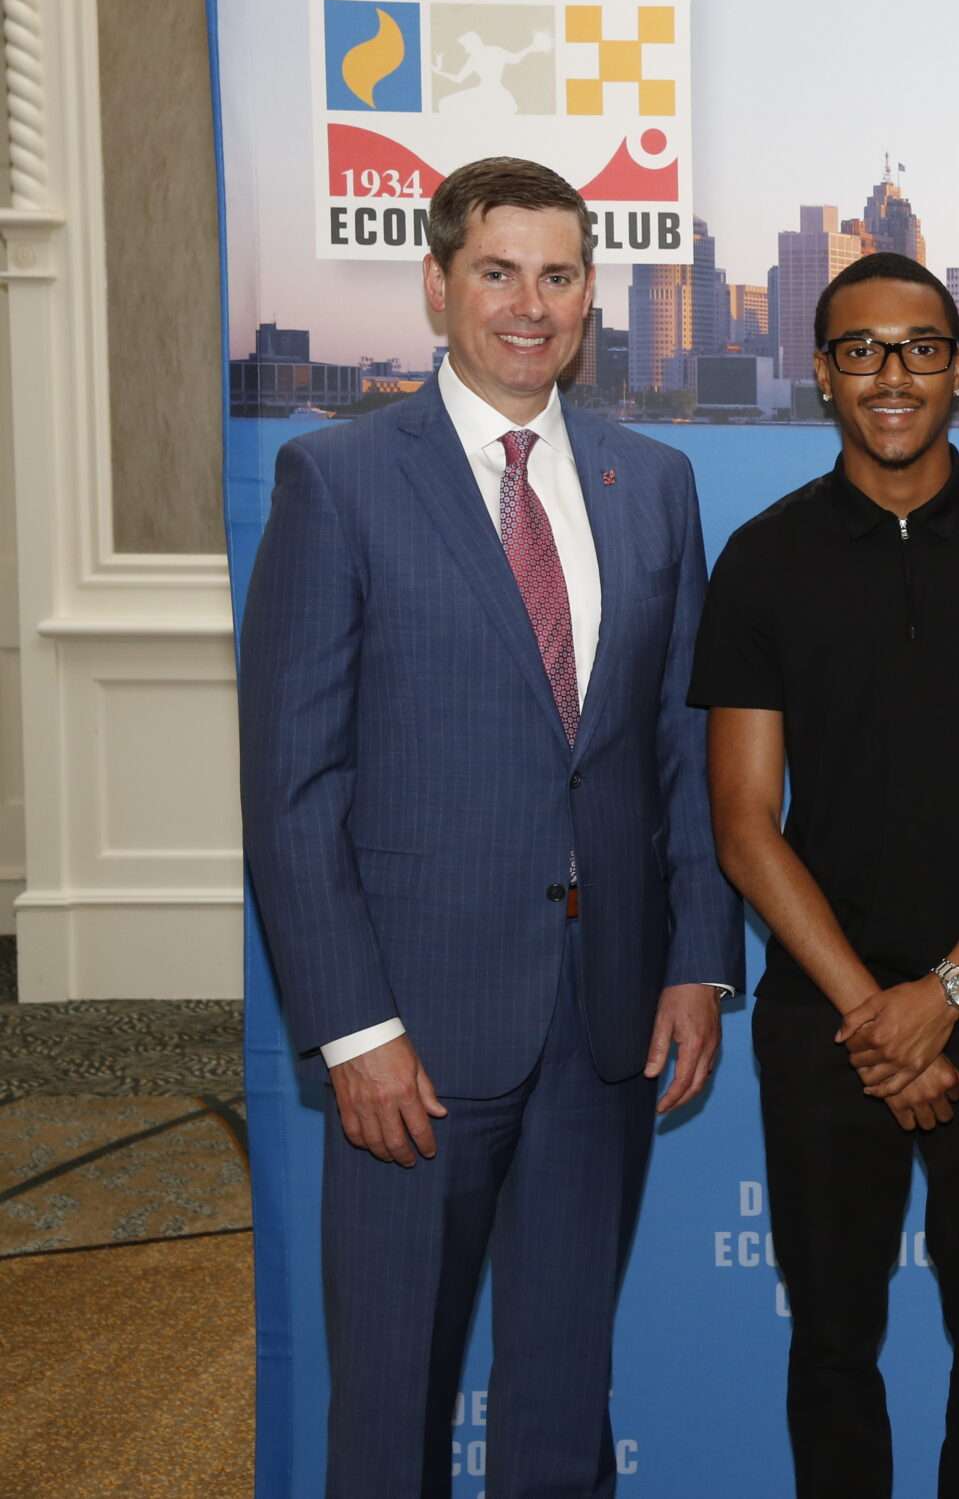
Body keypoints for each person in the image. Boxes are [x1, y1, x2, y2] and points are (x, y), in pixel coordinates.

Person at [239, 155, 742, 1497]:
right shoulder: (337, 478)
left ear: (590, 294)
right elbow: (292, 782)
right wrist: (354, 1028)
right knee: (390, 1401)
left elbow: (681, 746)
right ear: (437, 284)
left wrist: (698, 959)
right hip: (412, 1030)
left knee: (565, 1395)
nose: (531, 305)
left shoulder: (655, 480)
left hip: (606, 1015)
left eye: (558, 275)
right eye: (499, 272)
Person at [691, 250, 959, 1499]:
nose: (891, 374)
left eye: (919, 348)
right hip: (829, 1018)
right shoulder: (762, 560)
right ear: (822, 374)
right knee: (831, 1348)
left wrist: (950, 993)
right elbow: (743, 823)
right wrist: (878, 1014)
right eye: (860, 349)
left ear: (958, 369)